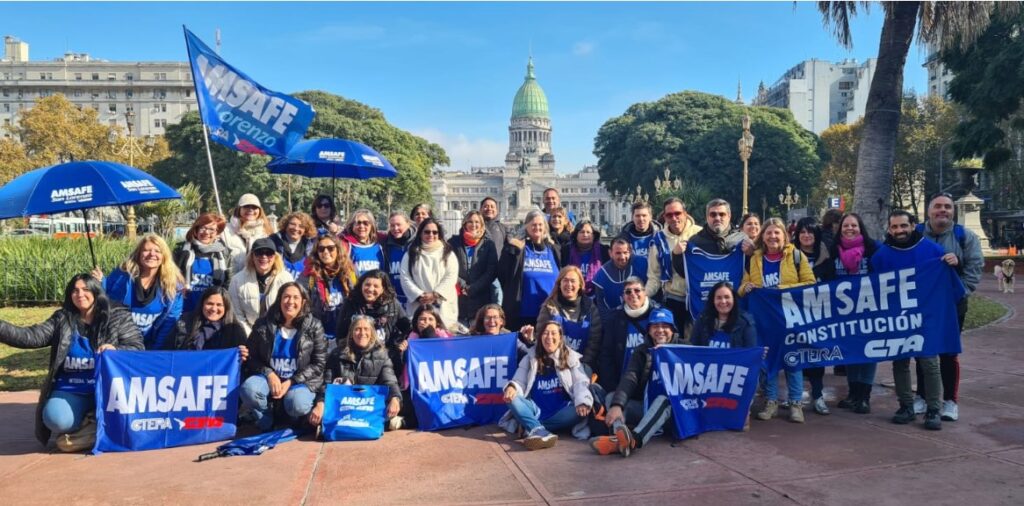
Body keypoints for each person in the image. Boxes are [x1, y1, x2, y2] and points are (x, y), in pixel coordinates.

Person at [0, 274, 143, 448]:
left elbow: (137, 347)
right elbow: (30, 337)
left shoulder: (118, 316)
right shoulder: (62, 318)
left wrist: (116, 350)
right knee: (56, 420)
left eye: (85, 289)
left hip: (108, 389)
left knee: (130, 415)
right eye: (75, 290)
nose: (80, 294)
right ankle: (91, 424)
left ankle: (93, 426)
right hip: (71, 389)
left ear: (97, 292)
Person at [872, 210, 949, 430]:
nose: (899, 231)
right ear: (889, 229)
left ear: (913, 225)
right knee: (900, 362)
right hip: (897, 318)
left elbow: (946, 281)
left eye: (903, 226)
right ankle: (906, 405)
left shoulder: (933, 251)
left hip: (925, 317)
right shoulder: (881, 256)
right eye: (894, 227)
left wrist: (954, 262)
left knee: (929, 363)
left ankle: (934, 409)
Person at [916, 192, 983, 422]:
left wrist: (958, 290)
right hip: (921, 306)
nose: (942, 210)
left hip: (952, 307)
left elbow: (974, 269)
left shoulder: (964, 237)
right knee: (921, 350)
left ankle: (950, 401)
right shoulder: (915, 234)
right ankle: (922, 396)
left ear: (953, 211)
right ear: (929, 211)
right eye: (938, 207)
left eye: (947, 207)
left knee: (947, 352)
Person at [740, 218, 815, 423]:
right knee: (768, 361)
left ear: (785, 235)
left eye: (777, 233)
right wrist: (744, 288)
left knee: (793, 360)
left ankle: (795, 403)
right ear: (762, 236)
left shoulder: (797, 256)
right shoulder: (754, 258)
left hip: (789, 319)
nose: (773, 237)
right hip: (764, 320)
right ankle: (771, 401)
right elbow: (745, 283)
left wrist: (778, 291)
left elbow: (810, 284)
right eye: (769, 233)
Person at [590, 308, 681, 457]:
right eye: (655, 326)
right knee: (611, 398)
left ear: (673, 329)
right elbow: (630, 377)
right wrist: (617, 405)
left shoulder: (684, 348)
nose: (660, 330)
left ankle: (634, 440)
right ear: (649, 330)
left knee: (663, 400)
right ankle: (619, 438)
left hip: (674, 413)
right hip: (645, 408)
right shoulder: (642, 351)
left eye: (665, 326)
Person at [241, 282, 327, 431]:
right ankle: (267, 419)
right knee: (250, 390)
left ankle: (292, 420)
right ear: (279, 299)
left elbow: (319, 364)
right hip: (268, 379)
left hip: (300, 381)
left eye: (295, 297)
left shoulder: (314, 326)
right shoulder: (263, 324)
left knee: (297, 404)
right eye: (286, 297)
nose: (290, 302)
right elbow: (251, 357)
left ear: (303, 301)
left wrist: (292, 381)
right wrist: (269, 373)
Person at [818, 212, 880, 414]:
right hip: (844, 314)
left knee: (869, 352)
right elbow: (825, 276)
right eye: (846, 226)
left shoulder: (873, 249)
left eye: (854, 225)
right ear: (839, 228)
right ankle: (853, 394)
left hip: (869, 311)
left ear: (860, 227)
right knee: (850, 351)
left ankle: (864, 396)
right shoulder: (833, 251)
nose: (850, 229)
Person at [502, 320, 594, 450]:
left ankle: (532, 427)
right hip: (536, 409)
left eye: (553, 333)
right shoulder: (530, 357)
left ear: (560, 337)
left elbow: (581, 382)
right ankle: (539, 429)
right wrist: (512, 387)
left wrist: (583, 401)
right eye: (545, 333)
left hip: (561, 410)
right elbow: (519, 380)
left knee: (578, 412)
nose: (549, 337)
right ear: (540, 338)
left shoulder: (570, 357)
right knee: (511, 397)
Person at [315, 315, 402, 431]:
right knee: (315, 414)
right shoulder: (337, 354)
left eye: (366, 329)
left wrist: (395, 398)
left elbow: (390, 381)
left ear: (372, 333)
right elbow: (326, 383)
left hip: (368, 406)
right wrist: (320, 403)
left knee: (391, 408)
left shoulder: (382, 355)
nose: (362, 333)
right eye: (357, 329)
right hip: (344, 406)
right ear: (351, 333)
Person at [97, 233, 184, 350]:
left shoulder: (173, 286)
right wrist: (100, 282)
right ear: (138, 254)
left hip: (152, 345)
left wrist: (153, 352)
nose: (152, 254)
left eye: (157, 251)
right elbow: (106, 298)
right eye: (146, 250)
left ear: (164, 256)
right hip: (122, 345)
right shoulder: (122, 275)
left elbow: (169, 323)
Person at [792, 217, 832, 414]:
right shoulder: (788, 256)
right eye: (802, 232)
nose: (806, 236)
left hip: (817, 316)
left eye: (810, 232)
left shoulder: (826, 258)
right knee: (793, 355)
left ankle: (818, 396)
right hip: (793, 315)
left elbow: (834, 287)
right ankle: (795, 396)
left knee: (816, 356)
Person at [497, 210, 562, 329]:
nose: (537, 227)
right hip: (523, 313)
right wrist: (512, 250)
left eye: (540, 224)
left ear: (545, 227)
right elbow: (502, 273)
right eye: (533, 225)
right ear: (526, 227)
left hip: (550, 312)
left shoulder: (554, 249)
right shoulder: (517, 248)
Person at [646, 198, 702, 332]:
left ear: (685, 214)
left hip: (699, 296)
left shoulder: (700, 234)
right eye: (669, 215)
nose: (674, 218)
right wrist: (642, 295)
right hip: (674, 297)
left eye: (677, 213)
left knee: (698, 341)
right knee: (675, 341)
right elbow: (654, 277)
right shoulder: (658, 241)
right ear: (664, 217)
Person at [533, 266, 603, 372]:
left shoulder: (591, 308)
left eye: (573, 281)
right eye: (565, 280)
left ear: (580, 285)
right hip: (553, 365)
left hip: (582, 365)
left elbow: (594, 343)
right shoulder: (549, 307)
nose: (569, 285)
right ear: (559, 284)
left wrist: (581, 366)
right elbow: (541, 337)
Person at [598, 277, 660, 392]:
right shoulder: (614, 319)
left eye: (637, 290)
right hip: (623, 386)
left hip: (653, 384)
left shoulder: (659, 314)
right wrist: (612, 389)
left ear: (645, 292)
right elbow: (606, 355)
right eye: (628, 291)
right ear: (623, 296)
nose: (633, 294)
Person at [400, 218, 460, 330]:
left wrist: (435, 294)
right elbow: (405, 277)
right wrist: (419, 295)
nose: (431, 235)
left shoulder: (448, 253)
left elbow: (451, 276)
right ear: (420, 233)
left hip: (443, 305)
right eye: (427, 232)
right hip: (419, 304)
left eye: (435, 232)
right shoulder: (411, 253)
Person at [297, 235, 358, 344]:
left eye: (330, 248)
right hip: (319, 336)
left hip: (346, 335)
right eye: (321, 249)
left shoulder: (350, 272)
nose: (325, 252)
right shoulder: (309, 275)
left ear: (338, 249)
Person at [229, 237, 295, 335]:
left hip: (279, 333)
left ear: (275, 257)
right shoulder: (237, 281)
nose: (264, 257)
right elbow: (236, 314)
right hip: (248, 334)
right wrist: (250, 336)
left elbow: (291, 308)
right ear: (252, 256)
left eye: (269, 253)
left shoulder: (286, 278)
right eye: (259, 253)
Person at [174, 213, 232, 313]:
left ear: (217, 233)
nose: (206, 232)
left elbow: (227, 284)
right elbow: (170, 276)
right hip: (183, 310)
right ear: (196, 230)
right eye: (203, 228)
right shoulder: (182, 251)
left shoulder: (224, 254)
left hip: (211, 312)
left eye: (211, 230)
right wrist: (180, 287)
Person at [448, 211, 498, 326]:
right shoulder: (453, 243)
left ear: (481, 225)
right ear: (464, 223)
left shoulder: (488, 244)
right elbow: (448, 267)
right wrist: (462, 285)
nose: (473, 224)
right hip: (458, 299)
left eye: (477, 222)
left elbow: (491, 271)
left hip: (481, 300)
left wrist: (473, 288)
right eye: (470, 221)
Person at [170, 286, 248, 356]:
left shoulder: (236, 330)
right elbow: (167, 353)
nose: (214, 309)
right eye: (210, 304)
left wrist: (243, 355)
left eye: (219, 305)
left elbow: (246, 365)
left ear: (226, 308)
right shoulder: (184, 323)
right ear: (202, 304)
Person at [690, 282, 758, 349]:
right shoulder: (702, 319)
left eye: (727, 297)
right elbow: (693, 349)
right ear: (713, 300)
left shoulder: (746, 323)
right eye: (719, 298)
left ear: (733, 299)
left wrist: (758, 354)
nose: (723, 301)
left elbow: (750, 352)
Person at [223, 193, 275, 273]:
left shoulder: (266, 233)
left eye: (254, 207)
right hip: (231, 280)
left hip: (255, 280)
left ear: (260, 210)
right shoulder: (226, 230)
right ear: (239, 209)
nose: (250, 210)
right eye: (246, 206)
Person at [591, 238, 640, 315]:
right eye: (618, 253)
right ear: (610, 253)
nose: (622, 257)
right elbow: (601, 307)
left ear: (630, 252)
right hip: (615, 318)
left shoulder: (642, 265)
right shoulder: (601, 276)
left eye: (625, 252)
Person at [619, 201, 661, 284]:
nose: (641, 219)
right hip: (631, 288)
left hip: (656, 287)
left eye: (644, 215)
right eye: (637, 216)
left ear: (650, 217)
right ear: (632, 217)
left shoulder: (660, 237)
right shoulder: (622, 238)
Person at [562, 220, 609, 295]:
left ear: (594, 235)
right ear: (576, 234)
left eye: (588, 232)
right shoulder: (566, 250)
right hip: (572, 293)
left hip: (597, 294)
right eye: (582, 232)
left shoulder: (604, 251)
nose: (585, 235)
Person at [340, 209, 386, 277]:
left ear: (372, 225)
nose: (362, 226)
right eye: (358, 223)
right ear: (352, 226)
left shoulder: (380, 245)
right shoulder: (346, 245)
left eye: (365, 223)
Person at [271, 212, 317, 280]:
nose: (296, 228)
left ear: (305, 230)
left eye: (301, 226)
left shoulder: (310, 246)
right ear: (286, 225)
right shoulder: (273, 241)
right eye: (292, 224)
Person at [383, 212, 415, 305]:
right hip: (394, 299)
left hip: (415, 298)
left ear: (408, 224)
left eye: (398, 225)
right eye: (392, 225)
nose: (395, 228)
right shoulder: (385, 245)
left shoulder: (417, 243)